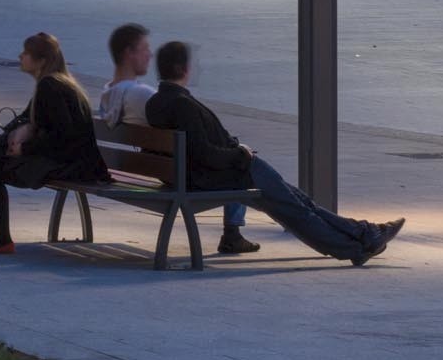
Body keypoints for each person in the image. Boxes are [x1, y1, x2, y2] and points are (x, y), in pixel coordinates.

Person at [145, 41, 404, 267]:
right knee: (297, 209)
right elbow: (207, 154)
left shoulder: (157, 102)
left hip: (195, 175)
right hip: (229, 175)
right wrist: (241, 155)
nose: (198, 68)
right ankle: (359, 244)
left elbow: (198, 149)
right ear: (182, 69)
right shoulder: (182, 105)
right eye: (194, 63)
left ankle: (365, 233)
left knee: (300, 202)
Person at [100, 24, 258, 256]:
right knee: (239, 166)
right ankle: (233, 233)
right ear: (128, 53)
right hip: (181, 170)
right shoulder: (142, 95)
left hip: (157, 167)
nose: (149, 55)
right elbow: (180, 124)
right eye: (144, 48)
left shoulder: (109, 92)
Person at [0, 32, 108, 255]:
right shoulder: (53, 82)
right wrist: (23, 129)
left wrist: (25, 148)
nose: (20, 56)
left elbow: (64, 135)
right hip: (72, 160)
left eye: (26, 53)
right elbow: (27, 118)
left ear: (40, 61)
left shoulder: (50, 86)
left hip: (72, 165)